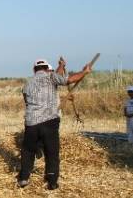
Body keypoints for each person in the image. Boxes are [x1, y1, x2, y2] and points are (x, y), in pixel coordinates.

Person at [18, 57, 92, 190]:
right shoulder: (51, 77)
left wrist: (62, 66)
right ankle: (52, 181)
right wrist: (84, 71)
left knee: (28, 151)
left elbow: (26, 101)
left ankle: (23, 178)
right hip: (49, 122)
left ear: (34, 70)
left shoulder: (27, 83)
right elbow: (68, 79)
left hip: (31, 123)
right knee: (51, 152)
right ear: (47, 69)